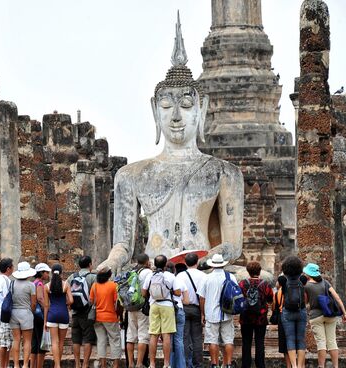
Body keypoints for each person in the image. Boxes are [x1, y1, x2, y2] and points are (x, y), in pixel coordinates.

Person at [97, 14, 244, 275]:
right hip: (153, 267)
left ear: (202, 109)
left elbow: (232, 245)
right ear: (155, 110)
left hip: (203, 266)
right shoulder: (130, 176)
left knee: (253, 276)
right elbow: (122, 245)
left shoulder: (225, 173)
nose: (175, 116)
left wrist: (202, 262)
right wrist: (110, 263)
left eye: (186, 106)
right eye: (166, 106)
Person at [303, 263, 346, 368]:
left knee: (321, 342)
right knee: (332, 341)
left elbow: (305, 302)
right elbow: (337, 298)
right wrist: (344, 313)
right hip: (330, 315)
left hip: (316, 316)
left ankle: (321, 366)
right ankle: (336, 366)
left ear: (309, 274)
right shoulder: (325, 282)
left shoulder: (307, 286)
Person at [143, 255, 181, 368]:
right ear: (165, 265)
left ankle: (152, 364)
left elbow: (144, 293)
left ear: (154, 264)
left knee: (153, 335)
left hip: (154, 304)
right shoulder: (170, 276)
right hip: (167, 305)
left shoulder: (150, 275)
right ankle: (166, 364)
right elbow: (178, 293)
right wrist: (169, 291)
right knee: (166, 335)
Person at [198, 254, 236, 368]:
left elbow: (202, 298)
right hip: (227, 313)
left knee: (212, 340)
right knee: (228, 340)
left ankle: (214, 364)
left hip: (211, 313)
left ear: (212, 265)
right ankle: (228, 364)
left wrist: (203, 313)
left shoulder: (206, 278)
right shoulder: (230, 277)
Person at [238, 261, 273, 368]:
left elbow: (238, 299)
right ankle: (260, 365)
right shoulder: (265, 284)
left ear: (248, 271)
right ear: (259, 271)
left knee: (246, 343)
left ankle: (246, 365)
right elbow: (270, 299)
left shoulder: (242, 284)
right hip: (261, 318)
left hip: (245, 318)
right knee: (260, 343)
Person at [176, 252, 206, 368]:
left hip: (183, 308)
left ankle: (186, 364)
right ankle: (198, 364)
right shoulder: (203, 276)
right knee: (197, 337)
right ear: (197, 262)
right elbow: (204, 296)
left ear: (185, 263)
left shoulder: (180, 276)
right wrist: (203, 313)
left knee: (184, 337)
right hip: (198, 308)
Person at [277, 256, 308, 368]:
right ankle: (300, 366)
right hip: (301, 311)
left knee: (290, 339)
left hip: (287, 312)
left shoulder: (283, 280)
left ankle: (293, 366)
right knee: (301, 339)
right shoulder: (303, 280)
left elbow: (278, 284)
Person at [67, 255, 97, 368]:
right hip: (88, 313)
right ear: (90, 265)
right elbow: (95, 296)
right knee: (88, 339)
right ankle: (85, 364)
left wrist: (70, 307)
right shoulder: (93, 277)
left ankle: (77, 364)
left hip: (75, 313)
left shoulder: (71, 277)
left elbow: (67, 293)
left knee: (76, 340)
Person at [90, 269, 122, 368]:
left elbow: (91, 301)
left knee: (101, 340)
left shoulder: (94, 286)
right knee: (115, 339)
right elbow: (117, 302)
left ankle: (103, 364)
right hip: (110, 317)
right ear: (109, 276)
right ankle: (115, 364)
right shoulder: (113, 285)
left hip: (97, 317)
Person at [126, 254, 152, 368]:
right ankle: (139, 363)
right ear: (147, 262)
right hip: (143, 308)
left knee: (130, 336)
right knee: (143, 336)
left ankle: (130, 363)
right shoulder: (148, 273)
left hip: (131, 307)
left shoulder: (131, 271)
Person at [45, 264, 74, 368]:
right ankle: (58, 364)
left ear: (51, 273)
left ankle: (57, 365)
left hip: (52, 315)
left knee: (54, 342)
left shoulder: (47, 286)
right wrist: (65, 304)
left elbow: (46, 305)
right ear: (61, 273)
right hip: (63, 315)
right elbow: (71, 300)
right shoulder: (66, 284)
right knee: (61, 342)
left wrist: (45, 321)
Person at [10, 261, 37, 368]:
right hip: (26, 312)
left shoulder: (12, 283)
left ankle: (16, 365)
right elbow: (33, 303)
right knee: (27, 341)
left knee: (16, 340)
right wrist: (32, 311)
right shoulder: (31, 285)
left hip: (13, 313)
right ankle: (25, 365)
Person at [168, 261, 189, 368]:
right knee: (179, 339)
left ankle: (170, 364)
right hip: (179, 310)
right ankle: (181, 365)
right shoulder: (179, 281)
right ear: (174, 270)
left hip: (167, 311)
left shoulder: (163, 279)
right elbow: (187, 301)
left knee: (168, 339)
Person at [0, 258, 14, 368]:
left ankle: (5, 365)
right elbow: (8, 298)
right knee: (4, 343)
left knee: (5, 343)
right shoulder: (6, 280)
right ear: (8, 269)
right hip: (4, 315)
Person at [31, 263, 51, 368]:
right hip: (39, 316)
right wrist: (47, 308)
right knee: (41, 343)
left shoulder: (33, 283)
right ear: (41, 273)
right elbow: (40, 298)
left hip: (34, 316)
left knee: (34, 342)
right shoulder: (39, 284)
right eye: (46, 272)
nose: (48, 275)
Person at [272, 282, 291, 368]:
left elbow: (273, 307)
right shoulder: (294, 290)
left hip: (282, 316)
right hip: (293, 316)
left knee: (284, 343)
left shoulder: (277, 293)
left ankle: (288, 365)